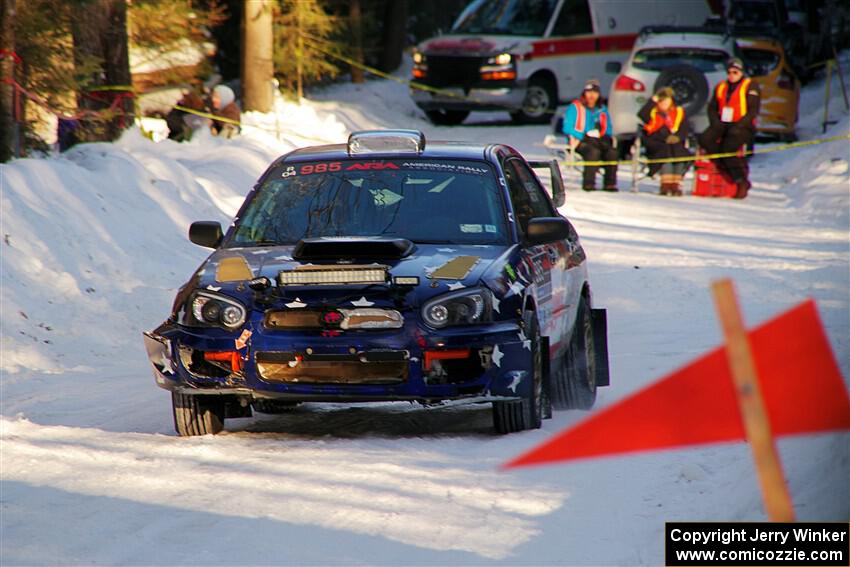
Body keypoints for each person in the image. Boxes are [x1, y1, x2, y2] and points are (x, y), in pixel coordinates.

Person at [698, 57, 761, 199]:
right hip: (722, 122)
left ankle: (741, 181)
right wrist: (715, 122)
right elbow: (712, 107)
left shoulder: (750, 86)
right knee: (705, 139)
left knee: (728, 148)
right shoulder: (721, 86)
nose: (732, 75)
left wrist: (739, 126)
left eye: (735, 72)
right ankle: (724, 167)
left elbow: (753, 111)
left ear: (741, 72)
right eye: (729, 72)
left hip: (742, 126)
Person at [562, 78, 618, 191]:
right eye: (589, 92)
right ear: (584, 93)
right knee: (593, 152)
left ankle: (610, 183)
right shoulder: (575, 107)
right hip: (580, 140)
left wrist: (602, 134)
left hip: (600, 139)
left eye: (595, 92)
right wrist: (582, 134)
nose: (592, 95)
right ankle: (589, 183)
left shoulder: (602, 109)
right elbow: (567, 127)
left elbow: (609, 128)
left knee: (612, 152)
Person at [637, 87, 693, 196]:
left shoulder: (678, 112)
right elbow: (642, 115)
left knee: (680, 153)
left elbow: (685, 129)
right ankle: (666, 184)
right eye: (662, 100)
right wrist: (653, 100)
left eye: (667, 100)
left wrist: (677, 137)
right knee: (665, 152)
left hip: (675, 142)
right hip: (656, 142)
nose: (664, 103)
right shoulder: (652, 111)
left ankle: (675, 184)